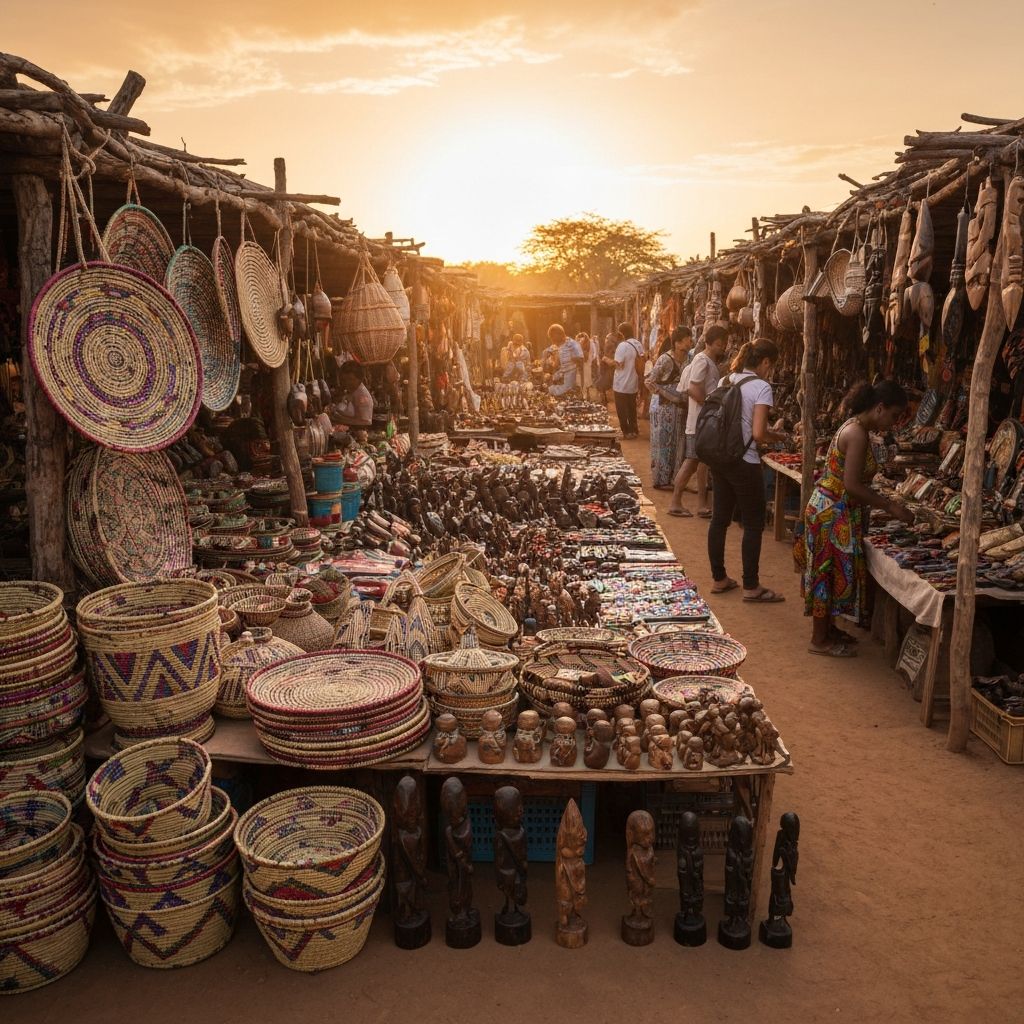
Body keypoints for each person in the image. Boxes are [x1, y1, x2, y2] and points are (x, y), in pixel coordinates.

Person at [798, 381, 913, 657]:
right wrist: (890, 506)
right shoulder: (858, 434)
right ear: (879, 408)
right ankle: (819, 639)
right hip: (832, 512)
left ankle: (828, 631)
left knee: (830, 571)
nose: (893, 423)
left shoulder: (855, 426)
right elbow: (851, 485)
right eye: (894, 416)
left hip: (833, 509)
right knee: (825, 574)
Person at [707, 338, 789, 603]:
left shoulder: (726, 380)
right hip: (746, 461)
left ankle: (719, 578)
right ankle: (751, 586)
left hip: (721, 458)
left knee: (719, 519)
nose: (770, 371)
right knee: (753, 524)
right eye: (771, 366)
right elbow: (758, 433)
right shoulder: (761, 387)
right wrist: (777, 436)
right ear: (765, 362)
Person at [669, 324, 729, 517]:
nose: (723, 348)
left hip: (701, 421)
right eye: (719, 344)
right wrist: (710, 406)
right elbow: (694, 388)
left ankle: (701, 504)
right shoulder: (702, 361)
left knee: (699, 463)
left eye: (724, 344)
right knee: (691, 462)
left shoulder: (704, 360)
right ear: (709, 343)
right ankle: (675, 502)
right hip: (700, 422)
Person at [645, 326, 692, 488]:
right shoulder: (665, 359)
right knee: (663, 442)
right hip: (664, 408)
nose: (690, 342)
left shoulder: (688, 359)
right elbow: (649, 381)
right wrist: (666, 394)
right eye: (687, 339)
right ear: (678, 343)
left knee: (679, 444)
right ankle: (661, 480)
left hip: (680, 408)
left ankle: (674, 480)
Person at [613, 321, 645, 439]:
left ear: (622, 333)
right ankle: (633, 430)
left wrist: (608, 360)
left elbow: (619, 364)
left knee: (622, 410)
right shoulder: (638, 344)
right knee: (632, 408)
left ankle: (626, 432)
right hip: (634, 382)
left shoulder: (623, 346)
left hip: (621, 383)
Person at [330, 360, 374, 429]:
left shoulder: (362, 395)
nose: (347, 382)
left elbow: (365, 422)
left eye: (351, 379)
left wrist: (339, 419)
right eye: (345, 379)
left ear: (359, 379)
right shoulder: (352, 391)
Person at [547, 324, 584, 397]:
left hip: (571, 377)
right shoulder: (556, 346)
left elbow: (581, 362)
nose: (552, 340)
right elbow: (555, 364)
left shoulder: (573, 344)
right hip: (561, 375)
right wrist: (551, 360)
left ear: (559, 334)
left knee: (562, 393)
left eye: (553, 337)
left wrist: (581, 384)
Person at [596, 331, 619, 404]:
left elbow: (614, 363)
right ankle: (604, 400)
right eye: (606, 338)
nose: (606, 340)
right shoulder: (606, 348)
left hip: (611, 373)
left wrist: (605, 359)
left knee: (600, 385)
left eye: (608, 338)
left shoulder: (615, 349)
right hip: (604, 373)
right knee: (599, 385)